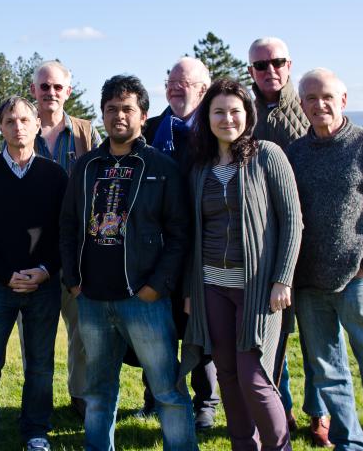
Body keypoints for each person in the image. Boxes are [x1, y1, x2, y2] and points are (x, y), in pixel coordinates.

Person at [60, 75, 197, 451]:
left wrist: (157, 287)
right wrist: (73, 280)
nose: (118, 116)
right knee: (98, 391)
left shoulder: (162, 167)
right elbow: (68, 226)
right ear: (102, 115)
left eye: (127, 109)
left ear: (143, 115)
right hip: (92, 300)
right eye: (111, 109)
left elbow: (180, 234)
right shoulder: (85, 167)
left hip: (144, 300)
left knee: (167, 388)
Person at [287, 68, 363, 451]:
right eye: (310, 98)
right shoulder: (296, 154)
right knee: (328, 373)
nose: (319, 104)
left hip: (357, 282)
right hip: (309, 285)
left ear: (343, 100)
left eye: (326, 97)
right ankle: (348, 443)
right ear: (301, 105)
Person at [180, 78, 302, 450]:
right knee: (228, 375)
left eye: (235, 111)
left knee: (254, 376)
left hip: (258, 289)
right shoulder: (200, 168)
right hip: (211, 287)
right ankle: (242, 445)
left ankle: (277, 446)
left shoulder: (267, 155)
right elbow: (192, 234)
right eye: (218, 111)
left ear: (247, 115)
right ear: (208, 118)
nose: (227, 118)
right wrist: (189, 291)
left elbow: (292, 220)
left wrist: (282, 279)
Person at [0, 96, 68, 451]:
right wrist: (6, 274)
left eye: (24, 119)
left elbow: (63, 231)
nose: (18, 126)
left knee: (40, 366)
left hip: (43, 285)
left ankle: (36, 430)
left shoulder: (55, 176)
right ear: (0, 127)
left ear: (38, 124)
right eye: (10, 121)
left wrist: (45, 270)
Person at [126, 57, 220, 430]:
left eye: (186, 82)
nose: (177, 88)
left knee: (199, 326)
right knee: (155, 327)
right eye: (172, 83)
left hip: (201, 246)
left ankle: (205, 403)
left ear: (204, 87)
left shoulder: (214, 130)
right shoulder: (148, 130)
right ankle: (155, 395)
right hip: (154, 249)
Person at [247, 36, 328, 445]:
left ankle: (321, 412)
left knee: (316, 338)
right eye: (260, 65)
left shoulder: (309, 108)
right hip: (266, 244)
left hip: (310, 241)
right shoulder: (246, 114)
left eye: (276, 62)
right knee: (274, 335)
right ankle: (284, 407)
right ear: (251, 72)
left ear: (289, 64)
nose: (269, 70)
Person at [27, 60, 101, 418]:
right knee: (36, 333)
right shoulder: (22, 129)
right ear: (33, 91)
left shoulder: (87, 133)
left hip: (78, 249)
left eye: (58, 87)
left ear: (68, 92)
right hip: (34, 247)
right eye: (44, 87)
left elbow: (102, 186)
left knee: (82, 330)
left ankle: (80, 396)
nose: (51, 93)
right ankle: (36, 399)